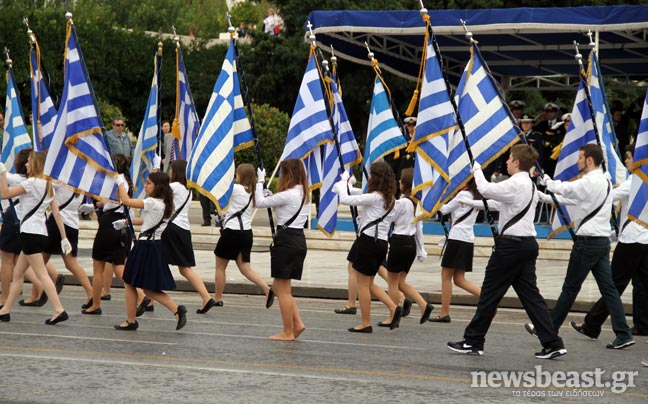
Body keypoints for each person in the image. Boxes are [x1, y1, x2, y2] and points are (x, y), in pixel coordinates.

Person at [448, 144, 565, 359]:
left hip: (511, 247)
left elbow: (485, 189)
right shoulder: (528, 185)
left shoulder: (515, 183)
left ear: (517, 162)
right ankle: (553, 342)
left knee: (490, 294)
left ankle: (473, 341)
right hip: (527, 245)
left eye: (510, 158)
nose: (507, 162)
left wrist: (476, 169)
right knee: (531, 296)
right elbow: (496, 204)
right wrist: (473, 203)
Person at [526, 144, 634, 350]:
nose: (578, 161)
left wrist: (547, 181)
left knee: (570, 288)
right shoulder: (605, 180)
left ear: (590, 160)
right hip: (601, 242)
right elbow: (573, 198)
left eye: (580, 157)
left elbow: (567, 189)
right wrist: (545, 196)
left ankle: (548, 328)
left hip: (587, 243)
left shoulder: (590, 181)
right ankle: (623, 333)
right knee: (609, 290)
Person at [568, 144, 648, 340]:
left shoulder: (636, 180)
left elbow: (607, 195)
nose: (627, 161)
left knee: (613, 284)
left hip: (632, 239)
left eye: (629, 157)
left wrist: (592, 184)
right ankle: (642, 324)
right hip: (644, 239)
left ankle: (593, 324)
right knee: (642, 284)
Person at [0, 151, 71, 324]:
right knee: (18, 275)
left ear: (36, 164)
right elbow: (57, 214)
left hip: (29, 233)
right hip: (41, 233)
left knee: (41, 274)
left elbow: (5, 194)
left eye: (29, 162)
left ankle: (59, 309)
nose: (26, 164)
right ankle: (5, 310)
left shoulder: (31, 183)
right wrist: (64, 237)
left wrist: (2, 173)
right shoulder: (48, 185)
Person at [114, 172, 187, 331]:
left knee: (129, 281)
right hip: (155, 245)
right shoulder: (165, 204)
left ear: (158, 186)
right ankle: (176, 310)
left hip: (145, 246)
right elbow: (147, 220)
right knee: (147, 288)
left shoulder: (152, 202)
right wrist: (127, 221)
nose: (145, 186)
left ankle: (131, 320)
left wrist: (120, 182)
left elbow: (125, 201)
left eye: (148, 183)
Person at [334, 162, 401, 333]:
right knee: (369, 283)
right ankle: (393, 307)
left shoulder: (375, 197)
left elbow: (347, 200)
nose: (369, 177)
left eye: (371, 175)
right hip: (381, 243)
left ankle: (365, 322)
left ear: (376, 178)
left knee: (362, 284)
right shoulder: (390, 199)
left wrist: (342, 185)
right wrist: (348, 185)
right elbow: (359, 194)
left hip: (369, 241)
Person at [255, 159, 308, 340]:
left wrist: (260, 181)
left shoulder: (289, 194)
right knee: (279, 286)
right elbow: (281, 206)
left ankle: (288, 331)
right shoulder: (303, 193)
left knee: (283, 290)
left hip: (286, 241)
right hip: (298, 239)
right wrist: (271, 196)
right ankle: (298, 323)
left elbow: (260, 202)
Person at [214, 163, 273, 308]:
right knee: (246, 268)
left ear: (241, 175)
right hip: (246, 232)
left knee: (220, 267)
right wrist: (261, 180)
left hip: (232, 231)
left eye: (237, 173)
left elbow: (220, 187)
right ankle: (267, 289)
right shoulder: (254, 192)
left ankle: (217, 298)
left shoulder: (237, 188)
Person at [81, 154, 133, 315]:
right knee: (119, 266)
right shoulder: (125, 180)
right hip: (122, 222)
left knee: (98, 266)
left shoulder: (116, 181)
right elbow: (111, 201)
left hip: (109, 223)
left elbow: (116, 201)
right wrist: (94, 206)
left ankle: (95, 304)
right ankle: (141, 295)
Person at [381, 168, 433, 325]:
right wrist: (421, 249)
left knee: (392, 282)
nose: (398, 183)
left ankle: (393, 314)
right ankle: (424, 305)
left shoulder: (402, 202)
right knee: (401, 282)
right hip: (410, 244)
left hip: (398, 242)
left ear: (405, 184)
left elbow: (389, 216)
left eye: (401, 181)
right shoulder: (417, 204)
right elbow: (419, 229)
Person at [430, 179, 481, 323]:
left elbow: (445, 210)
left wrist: (434, 199)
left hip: (457, 237)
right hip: (467, 239)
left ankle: (444, 313)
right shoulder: (476, 195)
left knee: (446, 276)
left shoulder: (463, 194)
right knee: (459, 279)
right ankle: (488, 300)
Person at [0, 149, 46, 308]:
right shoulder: (38, 181)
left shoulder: (15, 179)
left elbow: (5, 193)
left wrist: (2, 171)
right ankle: (40, 285)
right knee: (21, 261)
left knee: (6, 261)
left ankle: (4, 298)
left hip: (13, 221)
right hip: (27, 224)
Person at [42, 184, 94, 308]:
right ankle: (91, 292)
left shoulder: (60, 182)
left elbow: (45, 187)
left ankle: (38, 293)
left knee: (39, 261)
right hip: (72, 224)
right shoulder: (81, 186)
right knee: (71, 264)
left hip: (57, 223)